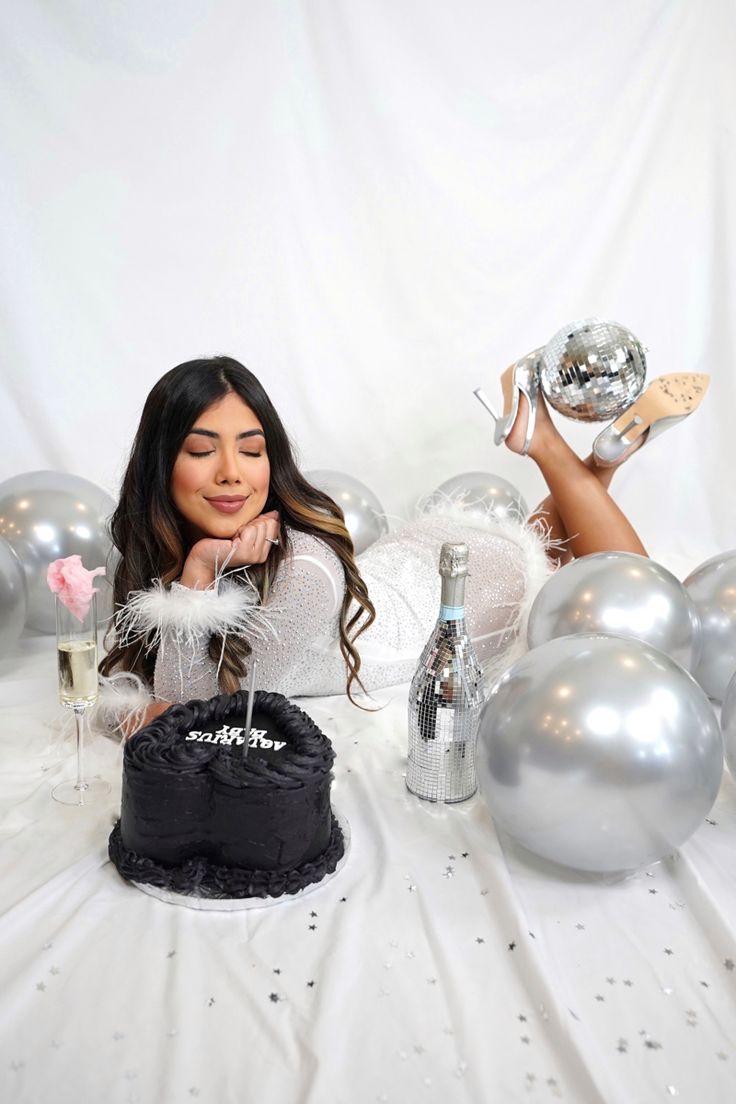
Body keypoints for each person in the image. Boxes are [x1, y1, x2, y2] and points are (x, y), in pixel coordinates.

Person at [98, 356, 708, 734]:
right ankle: (599, 463)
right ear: (162, 462)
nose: (232, 472)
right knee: (548, 543)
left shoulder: (302, 567)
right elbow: (130, 689)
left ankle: (543, 440)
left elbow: (187, 713)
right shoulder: (156, 549)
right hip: (418, 556)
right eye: (203, 450)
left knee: (640, 592)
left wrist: (201, 570)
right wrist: (198, 566)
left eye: (252, 451)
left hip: (457, 598)